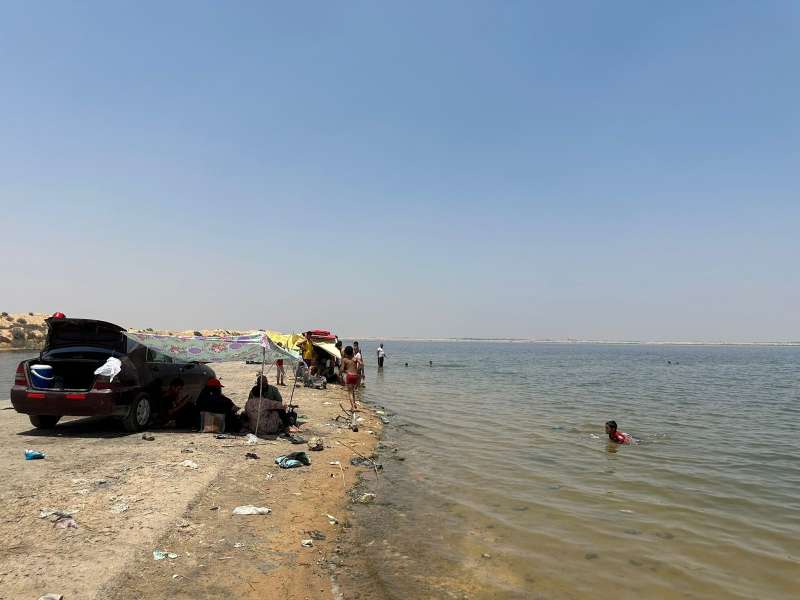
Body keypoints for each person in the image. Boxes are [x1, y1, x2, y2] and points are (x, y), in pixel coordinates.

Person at [341, 345, 360, 412]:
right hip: (356, 376)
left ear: (346, 352)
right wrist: (358, 370)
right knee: (353, 391)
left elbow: (342, 370)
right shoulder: (355, 359)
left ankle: (352, 407)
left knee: (350, 393)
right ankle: (354, 404)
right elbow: (361, 364)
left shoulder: (345, 360)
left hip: (349, 376)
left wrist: (346, 371)